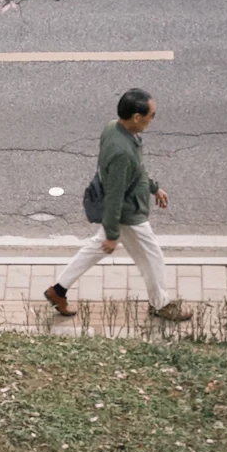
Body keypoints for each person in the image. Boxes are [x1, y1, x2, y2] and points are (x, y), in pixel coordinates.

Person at [44, 89, 191, 321]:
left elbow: (135, 171)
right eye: (152, 115)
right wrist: (113, 233)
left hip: (121, 209)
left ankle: (58, 290)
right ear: (136, 117)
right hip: (127, 214)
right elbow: (115, 195)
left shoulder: (113, 128)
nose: (153, 119)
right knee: (152, 256)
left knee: (95, 248)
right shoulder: (122, 152)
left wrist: (153, 187)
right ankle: (161, 304)